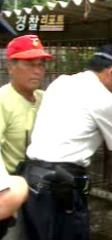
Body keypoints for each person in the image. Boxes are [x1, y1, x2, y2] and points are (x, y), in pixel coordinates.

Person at [24, 44, 112, 240]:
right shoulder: (105, 101)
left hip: (33, 179)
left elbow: (80, 109)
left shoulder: (62, 82)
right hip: (62, 185)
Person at [0, 34, 53, 240]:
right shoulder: (3, 101)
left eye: (40, 64)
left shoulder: (45, 98)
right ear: (11, 67)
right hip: (11, 185)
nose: (38, 70)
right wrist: (5, 191)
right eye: (29, 64)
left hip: (41, 183)